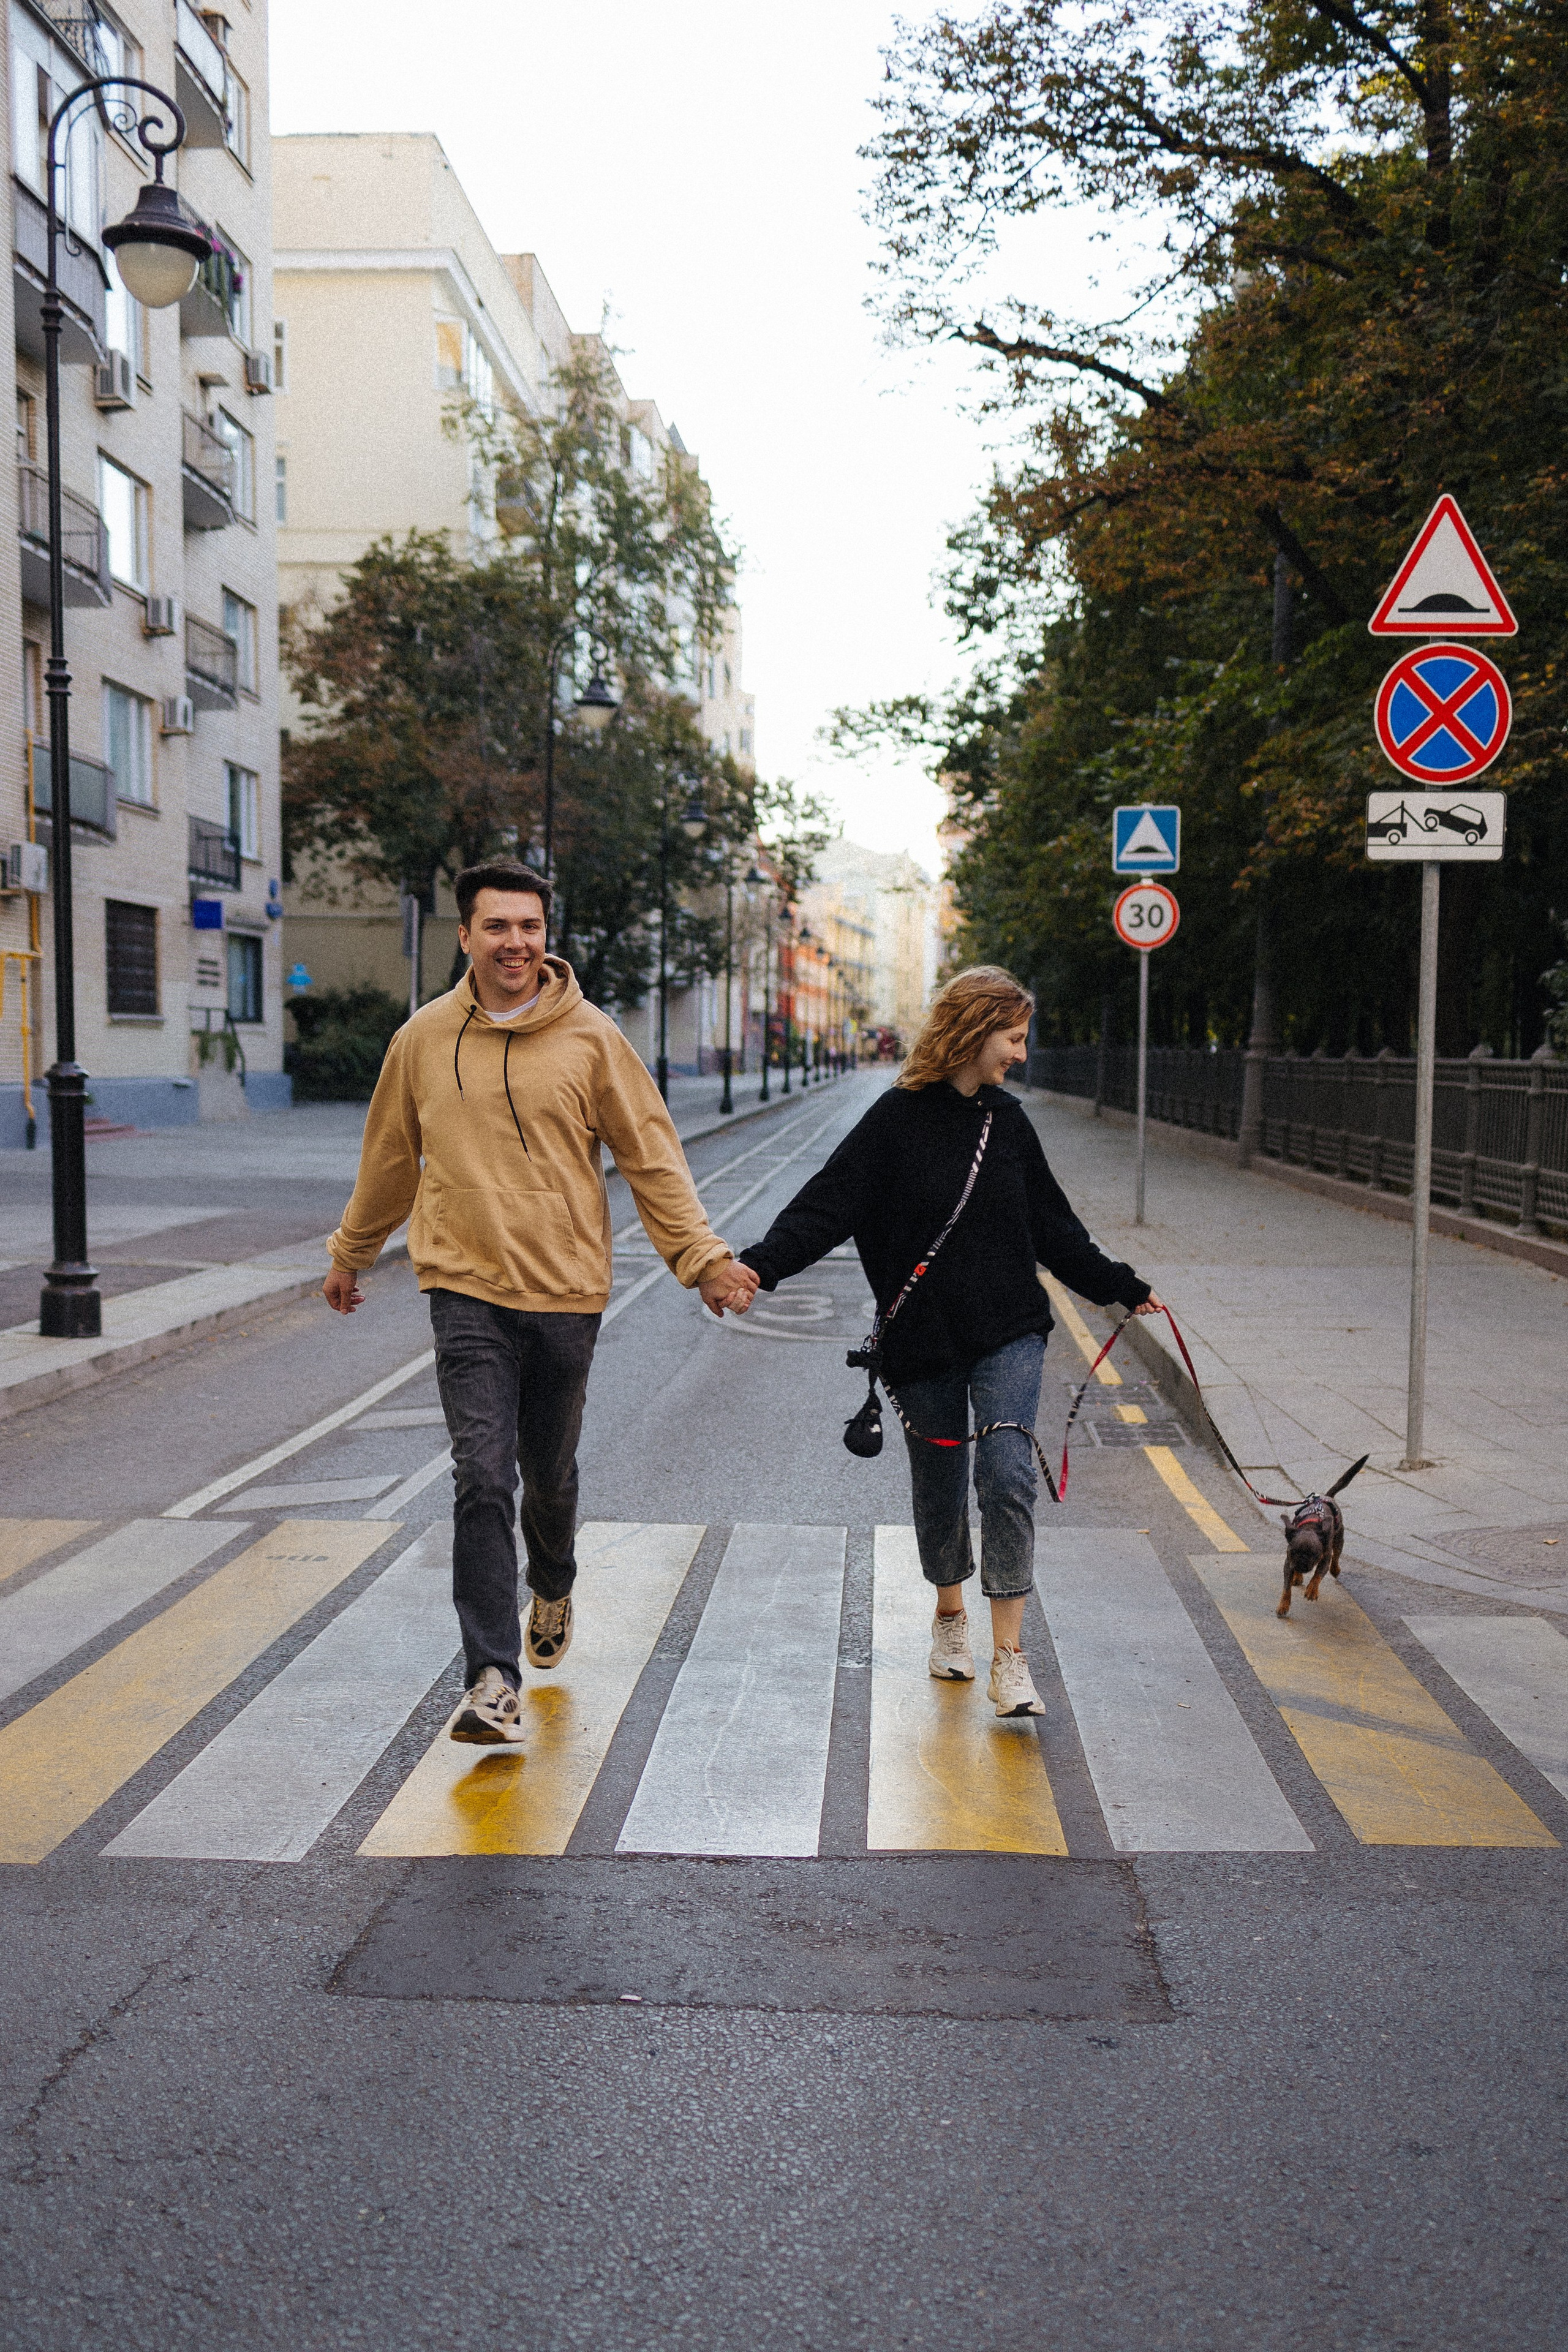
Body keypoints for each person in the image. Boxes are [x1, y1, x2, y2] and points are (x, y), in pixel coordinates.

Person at [322, 861, 759, 1747]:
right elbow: (391, 1159)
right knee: (482, 1474)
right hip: (463, 1285)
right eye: (497, 927)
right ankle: (490, 1675)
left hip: (564, 1288)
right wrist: (352, 1252)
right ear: (466, 936)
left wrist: (701, 1257)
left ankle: (551, 1581)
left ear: (545, 936)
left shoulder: (593, 1039)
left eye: (529, 927)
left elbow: (651, 1156)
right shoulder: (422, 1040)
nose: (514, 943)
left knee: (548, 1473)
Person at [737, 966, 1163, 1716]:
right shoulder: (893, 1122)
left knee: (1005, 1474)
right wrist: (757, 1268)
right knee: (939, 1491)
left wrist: (1121, 1285)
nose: (1020, 1055)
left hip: (1008, 1332)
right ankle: (948, 1615)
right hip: (921, 1340)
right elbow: (824, 1208)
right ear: (972, 1031)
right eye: (1013, 1038)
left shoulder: (1009, 1124)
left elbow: (1055, 1230)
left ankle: (1010, 1657)